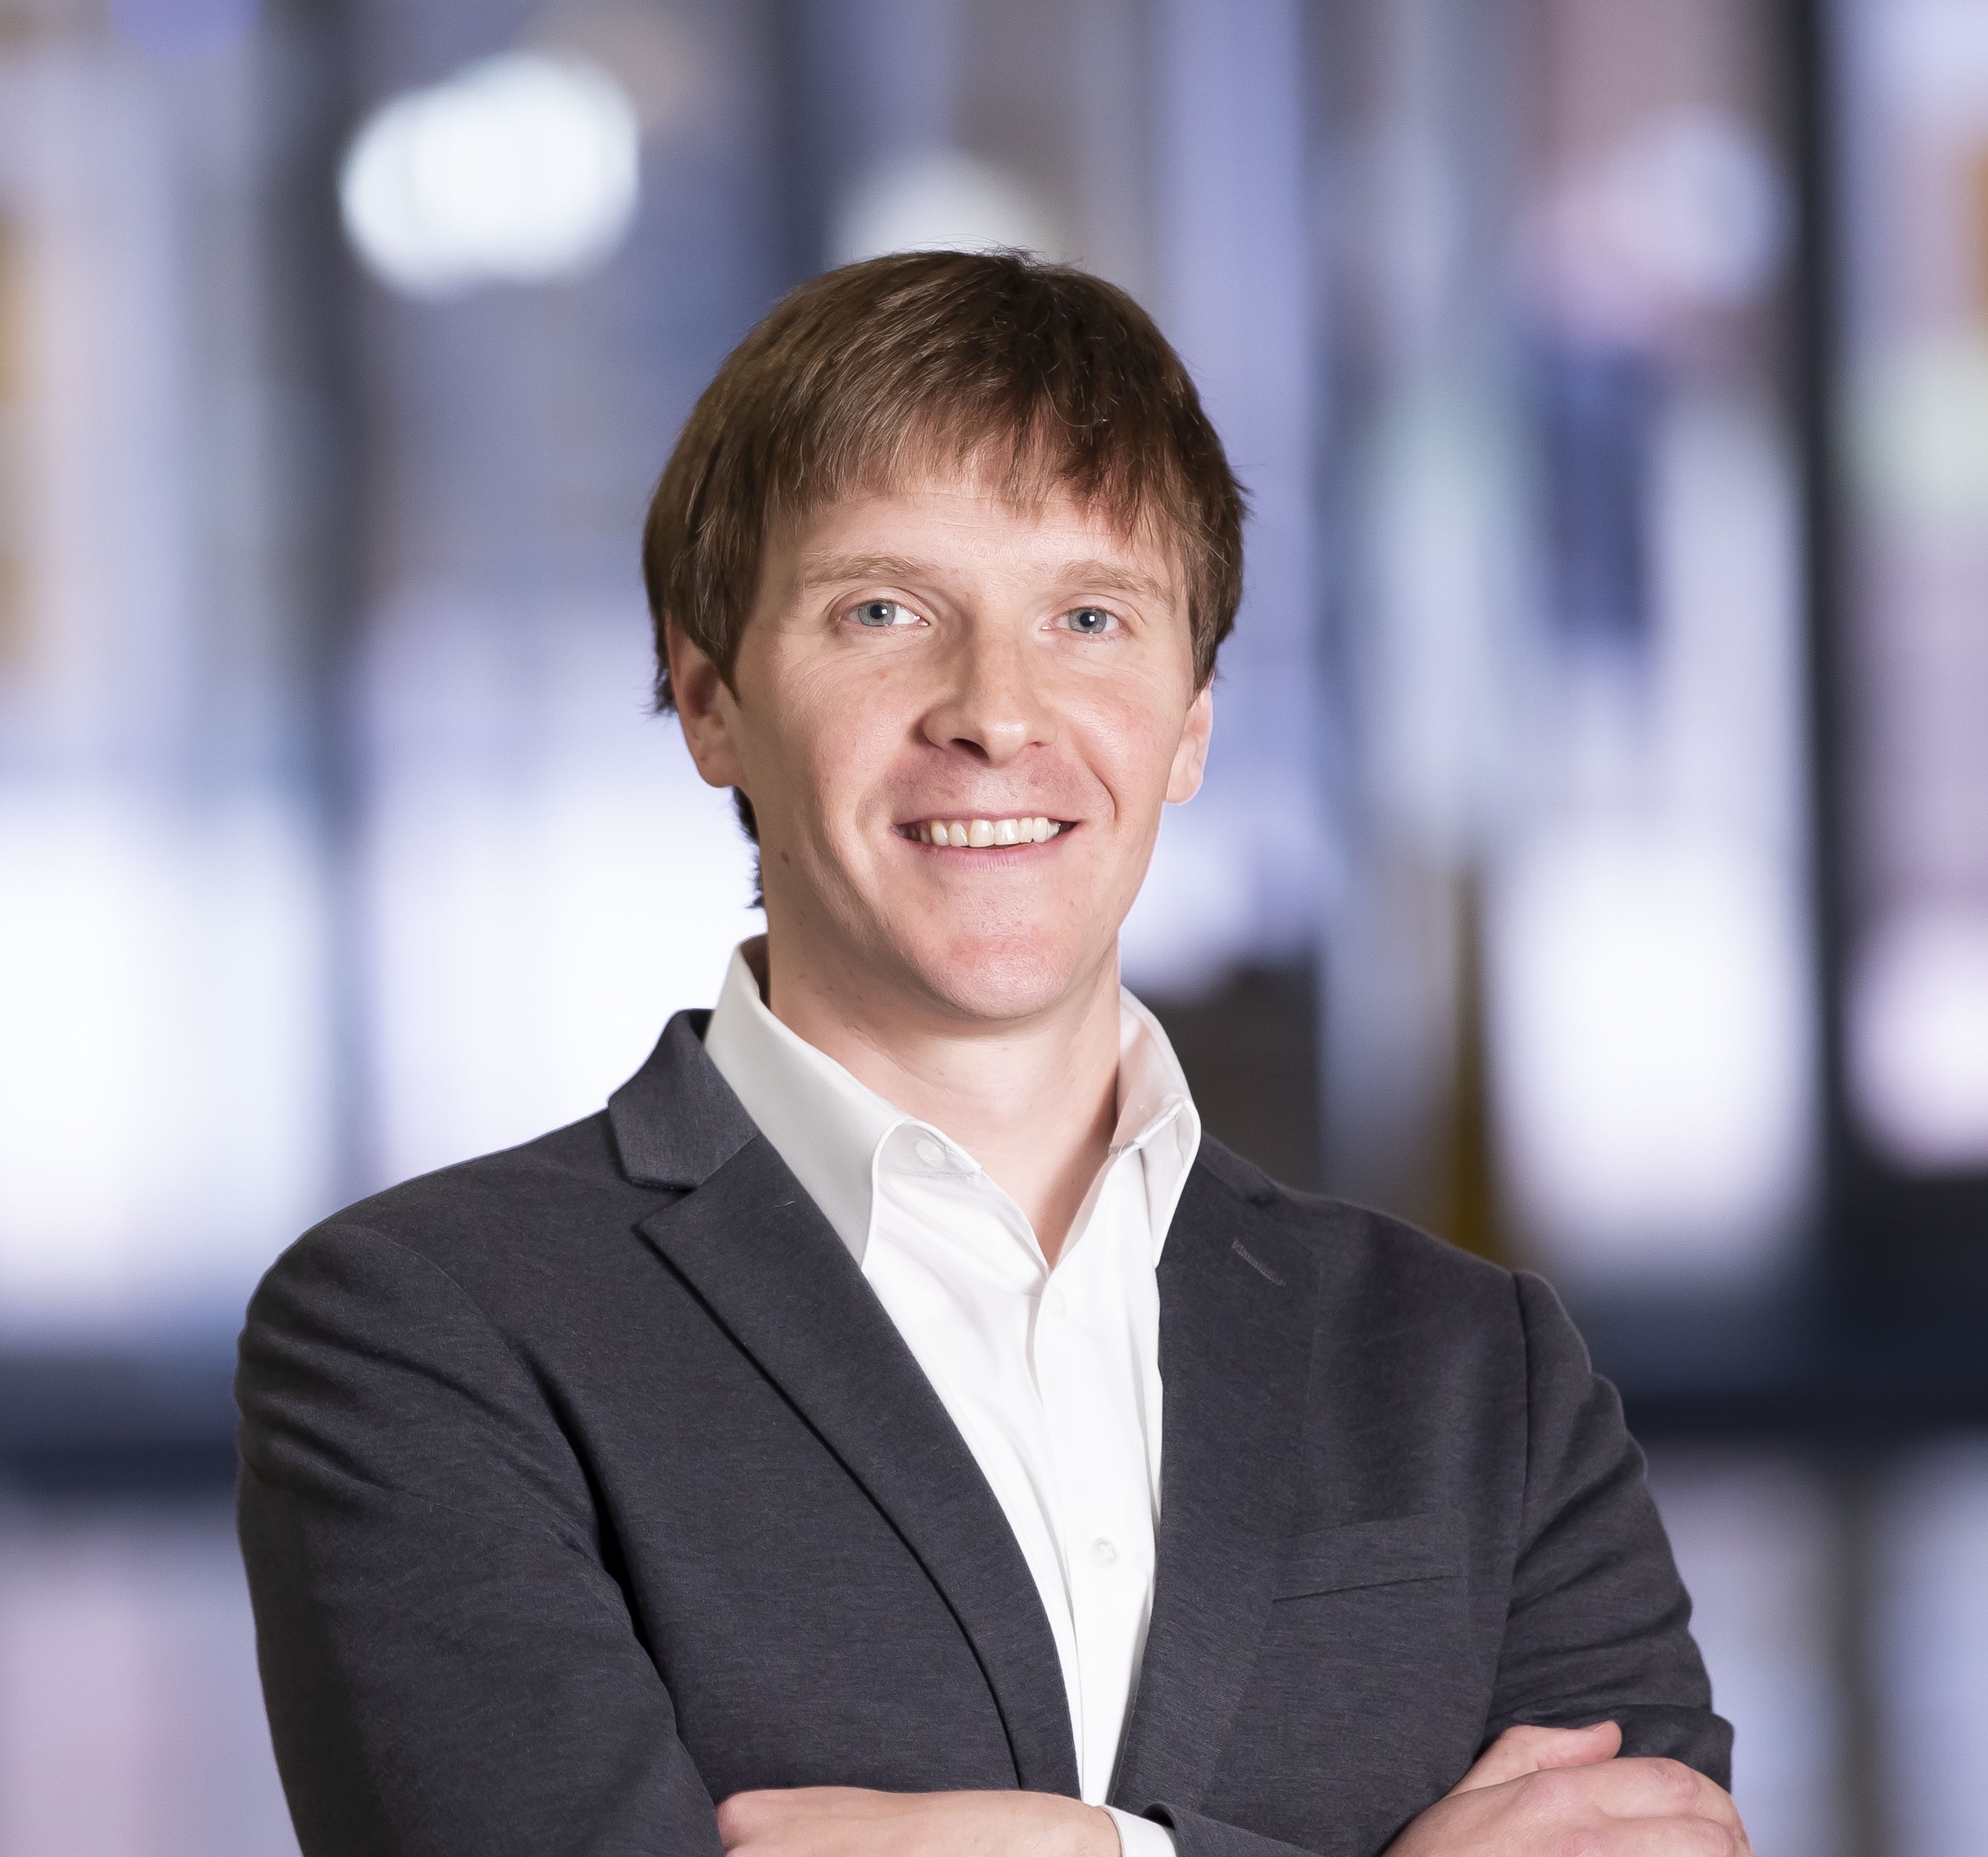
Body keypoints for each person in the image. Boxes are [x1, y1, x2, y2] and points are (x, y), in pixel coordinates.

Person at [236, 251, 1743, 1857]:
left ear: (1191, 717)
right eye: (884, 612)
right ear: (709, 693)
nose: (997, 712)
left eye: (1088, 617)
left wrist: (1101, 1851)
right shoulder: (425, 1333)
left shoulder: (1478, 1368)